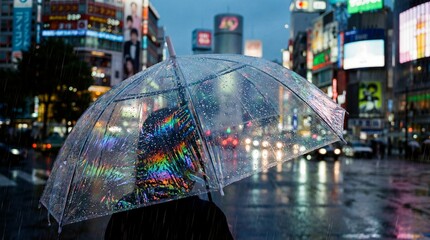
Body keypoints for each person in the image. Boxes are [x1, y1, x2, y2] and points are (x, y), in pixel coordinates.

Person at [105, 106, 233, 240]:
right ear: (181, 155)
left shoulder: (126, 211)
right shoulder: (206, 216)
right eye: (193, 145)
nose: (198, 154)